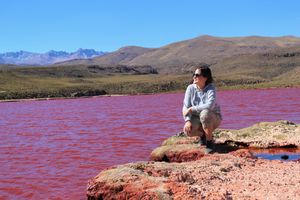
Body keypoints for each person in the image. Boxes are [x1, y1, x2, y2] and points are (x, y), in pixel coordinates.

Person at [182, 64, 222, 152]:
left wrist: (192, 109)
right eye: (194, 74)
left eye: (197, 75)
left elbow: (209, 105)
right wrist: (188, 121)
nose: (194, 77)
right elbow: (185, 106)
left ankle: (209, 142)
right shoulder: (190, 88)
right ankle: (203, 135)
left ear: (205, 78)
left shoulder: (211, 88)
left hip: (212, 117)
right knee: (188, 131)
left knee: (205, 114)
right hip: (197, 117)